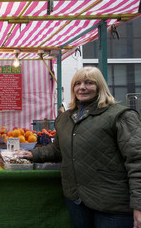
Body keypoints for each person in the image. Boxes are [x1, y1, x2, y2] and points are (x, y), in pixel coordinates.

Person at [20, 66, 141, 228]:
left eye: (89, 83)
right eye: (77, 83)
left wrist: (138, 205)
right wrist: (32, 154)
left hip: (112, 205)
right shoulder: (65, 118)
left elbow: (137, 161)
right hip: (77, 200)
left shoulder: (121, 116)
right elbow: (57, 149)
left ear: (100, 86)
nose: (82, 87)